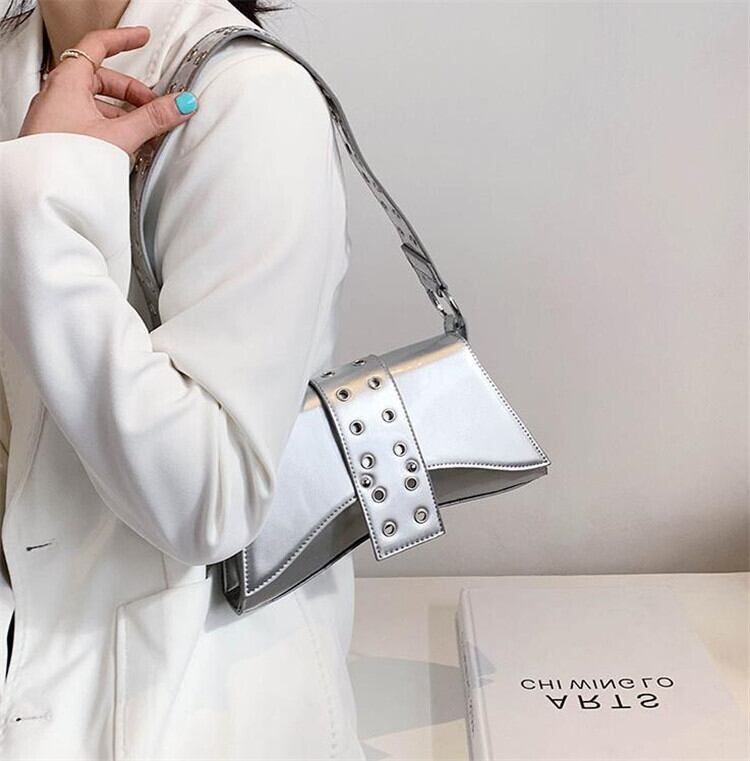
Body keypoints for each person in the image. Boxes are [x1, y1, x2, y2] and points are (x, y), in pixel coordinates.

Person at [0, 0, 365, 758]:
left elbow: (208, 498)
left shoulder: (251, 99)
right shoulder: (13, 62)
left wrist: (43, 201)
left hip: (192, 702)